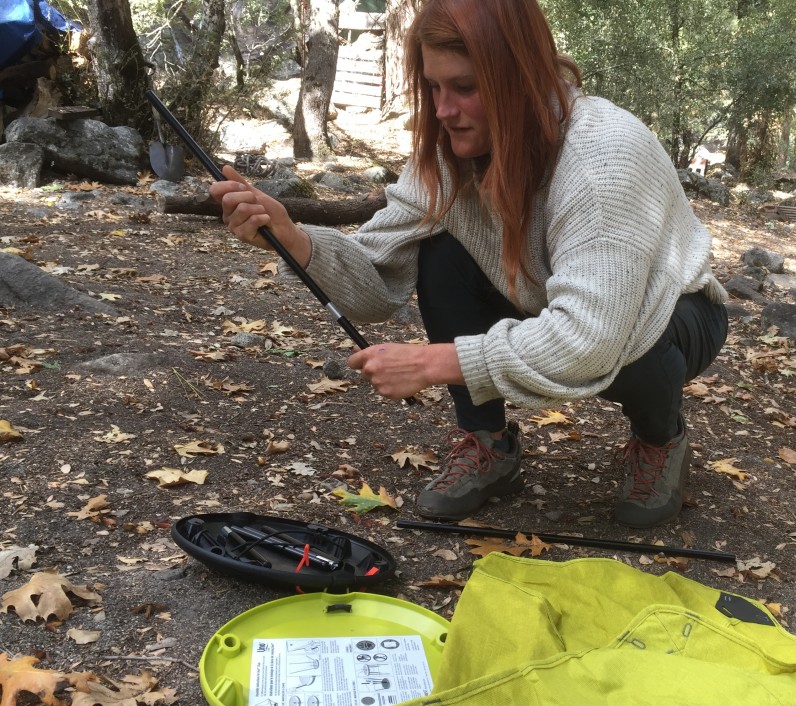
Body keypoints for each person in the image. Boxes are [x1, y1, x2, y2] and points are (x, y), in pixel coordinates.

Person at [209, 0, 729, 529]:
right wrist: (294, 239)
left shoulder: (602, 155)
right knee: (442, 253)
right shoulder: (446, 155)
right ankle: (489, 445)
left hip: (671, 314)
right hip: (546, 299)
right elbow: (374, 287)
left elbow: (590, 339)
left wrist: (432, 363)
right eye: (434, 88)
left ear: (518, 78)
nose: (443, 111)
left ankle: (660, 439)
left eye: (464, 88)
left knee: (634, 335)